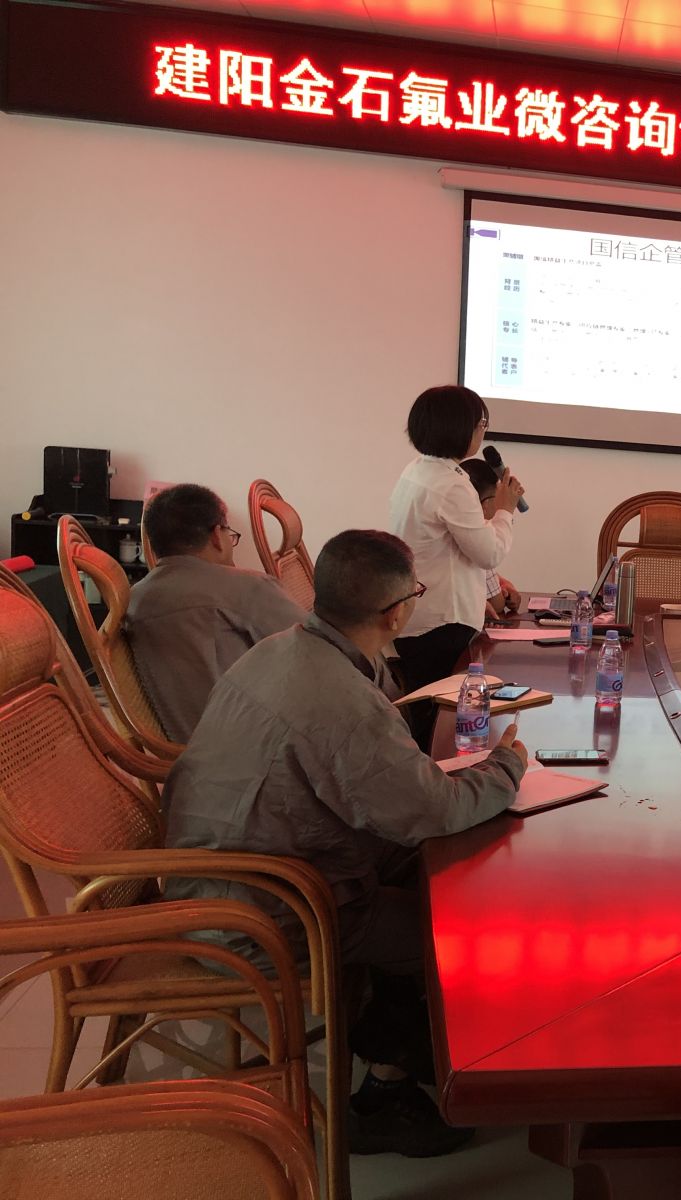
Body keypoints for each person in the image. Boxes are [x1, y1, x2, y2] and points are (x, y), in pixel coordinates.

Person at [163, 530, 528, 1155]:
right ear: (397, 613)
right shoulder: (339, 697)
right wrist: (507, 766)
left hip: (231, 870)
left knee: (439, 869)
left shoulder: (281, 648)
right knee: (455, 929)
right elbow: (431, 811)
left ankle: (401, 1060)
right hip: (266, 909)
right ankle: (387, 1093)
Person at [124, 483, 304, 742]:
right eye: (230, 534)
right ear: (218, 535)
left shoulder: (133, 599)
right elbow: (320, 651)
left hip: (189, 752)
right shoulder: (245, 587)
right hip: (260, 746)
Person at [388, 386, 523, 724]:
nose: (483, 431)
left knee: (426, 713)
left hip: (418, 615)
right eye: (481, 424)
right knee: (439, 720)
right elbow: (488, 553)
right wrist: (505, 510)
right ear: (461, 428)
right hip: (439, 627)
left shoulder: (418, 470)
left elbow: (449, 550)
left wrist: (476, 599)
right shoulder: (451, 485)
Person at [458, 458, 523, 624]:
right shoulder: (479, 534)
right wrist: (506, 511)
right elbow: (496, 604)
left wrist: (503, 583)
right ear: (485, 504)